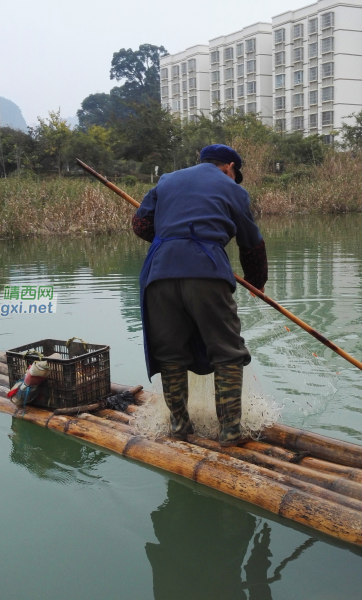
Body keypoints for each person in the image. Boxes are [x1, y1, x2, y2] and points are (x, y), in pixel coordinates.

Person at [132, 144, 268, 446]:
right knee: (227, 352)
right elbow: (252, 244)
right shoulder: (232, 189)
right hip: (206, 272)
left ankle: (179, 426)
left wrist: (171, 238)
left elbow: (140, 225)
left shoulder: (167, 180)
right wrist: (256, 283)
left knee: (170, 353)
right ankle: (231, 431)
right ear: (230, 167)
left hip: (159, 274)